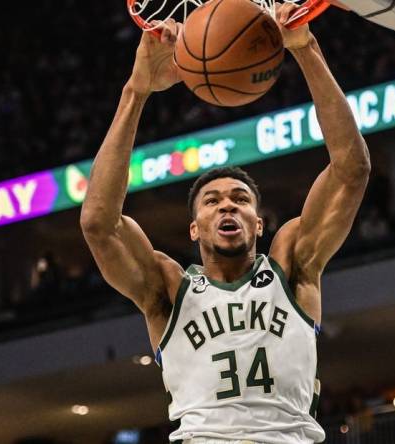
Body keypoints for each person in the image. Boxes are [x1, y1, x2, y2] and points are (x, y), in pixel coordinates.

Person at [80, 5, 370, 443]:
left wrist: (305, 49)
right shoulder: (168, 289)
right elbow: (99, 224)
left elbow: (351, 171)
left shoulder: (292, 265)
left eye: (240, 199)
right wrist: (135, 92)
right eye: (212, 202)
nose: (227, 207)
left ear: (259, 224)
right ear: (194, 228)